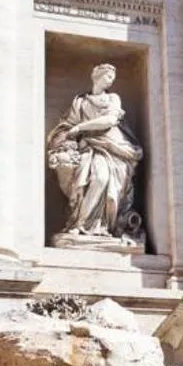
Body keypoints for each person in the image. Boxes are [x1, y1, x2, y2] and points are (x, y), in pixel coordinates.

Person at [46, 64, 142, 241]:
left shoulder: (113, 98)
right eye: (107, 76)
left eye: (112, 78)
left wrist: (81, 127)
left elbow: (110, 120)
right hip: (87, 148)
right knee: (84, 181)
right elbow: (67, 125)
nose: (110, 80)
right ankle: (81, 225)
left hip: (113, 148)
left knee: (101, 178)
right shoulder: (80, 101)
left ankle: (93, 226)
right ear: (96, 76)